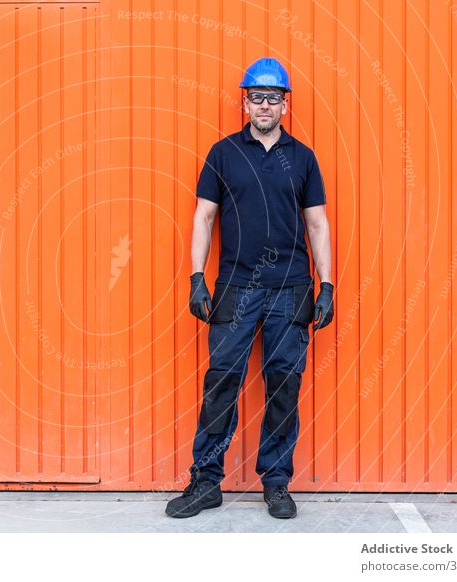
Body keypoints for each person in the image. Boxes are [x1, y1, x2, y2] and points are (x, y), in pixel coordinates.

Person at [165, 57, 334, 519]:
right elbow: (204, 216)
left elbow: (316, 224)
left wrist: (327, 284)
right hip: (236, 287)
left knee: (284, 384)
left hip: (291, 287)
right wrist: (198, 277)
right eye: (256, 97)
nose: (264, 105)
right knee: (222, 382)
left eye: (273, 98)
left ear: (285, 104)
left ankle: (276, 483)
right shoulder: (223, 153)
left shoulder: (302, 158)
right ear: (245, 101)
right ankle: (206, 482)